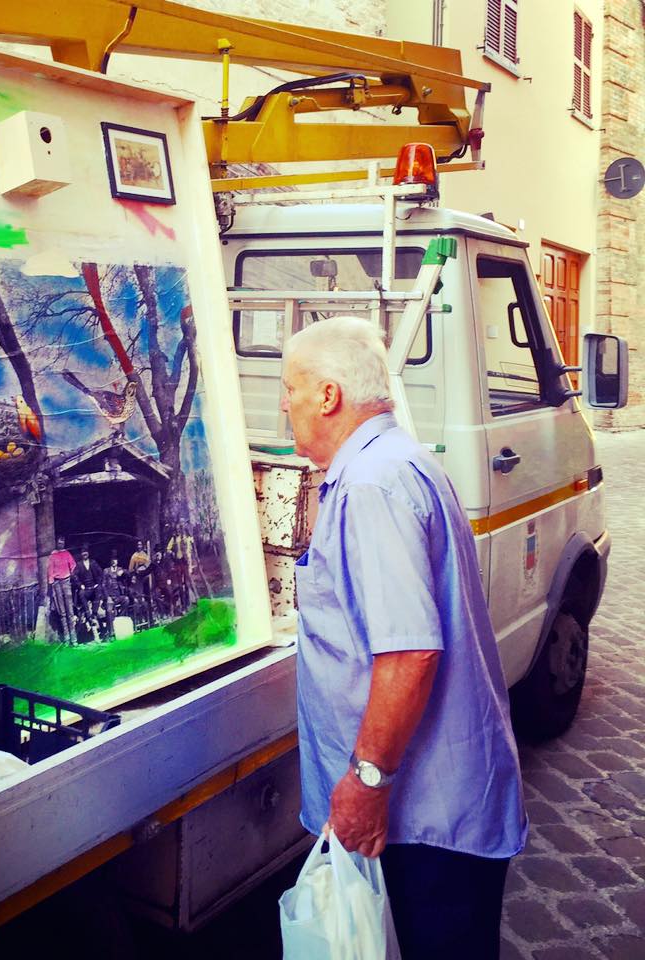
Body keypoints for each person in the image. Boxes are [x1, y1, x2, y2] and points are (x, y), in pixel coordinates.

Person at [281, 316, 526, 960]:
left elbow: (411, 651)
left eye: (291, 389)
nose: (284, 405)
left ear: (328, 396)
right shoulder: (398, 460)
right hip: (434, 808)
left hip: (425, 821)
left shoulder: (372, 484)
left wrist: (366, 783)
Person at [46, 536, 76, 643]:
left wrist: (70, 573)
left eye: (62, 543)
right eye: (59, 543)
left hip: (66, 582)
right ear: (56, 543)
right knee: (62, 611)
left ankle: (74, 638)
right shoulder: (53, 555)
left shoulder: (67, 554)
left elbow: (73, 565)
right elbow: (50, 570)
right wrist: (51, 582)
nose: (61, 545)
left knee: (70, 610)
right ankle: (67, 637)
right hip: (57, 583)